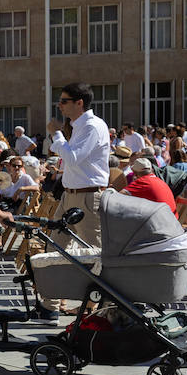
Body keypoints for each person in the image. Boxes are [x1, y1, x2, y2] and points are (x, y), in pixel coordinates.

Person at [47, 82, 110, 252]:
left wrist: (56, 134)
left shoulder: (92, 126)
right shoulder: (81, 126)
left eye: (64, 101)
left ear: (79, 103)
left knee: (93, 251)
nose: (59, 105)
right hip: (72, 195)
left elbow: (72, 158)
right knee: (54, 247)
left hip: (87, 196)